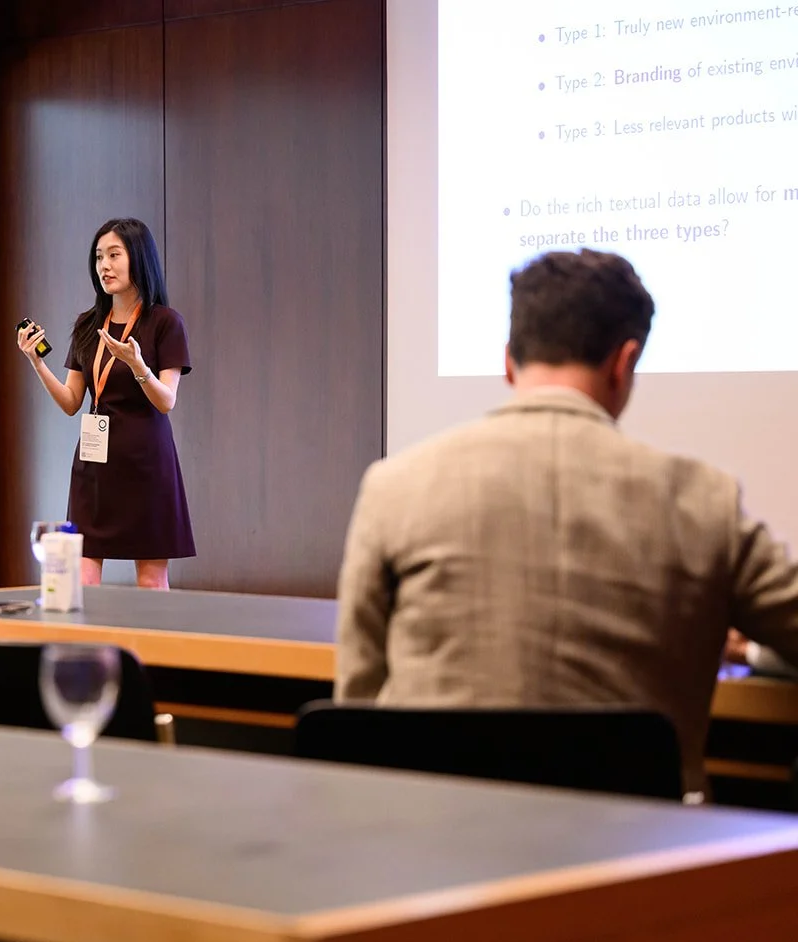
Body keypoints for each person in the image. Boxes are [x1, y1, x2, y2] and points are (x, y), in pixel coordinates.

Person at [335, 248, 798, 795]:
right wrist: (752, 650)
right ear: (624, 363)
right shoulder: (705, 500)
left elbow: (358, 706)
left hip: (434, 853)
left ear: (508, 360)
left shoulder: (395, 486)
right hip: (640, 863)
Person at [16, 218, 195, 589]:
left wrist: (137, 364)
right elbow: (70, 402)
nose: (104, 266)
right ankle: (88, 647)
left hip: (147, 463)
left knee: (150, 579)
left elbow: (166, 402)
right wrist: (36, 362)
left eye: (114, 255)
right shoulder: (87, 324)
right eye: (99, 257)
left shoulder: (164, 323)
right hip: (94, 465)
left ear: (139, 259)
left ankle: (150, 649)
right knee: (80, 575)